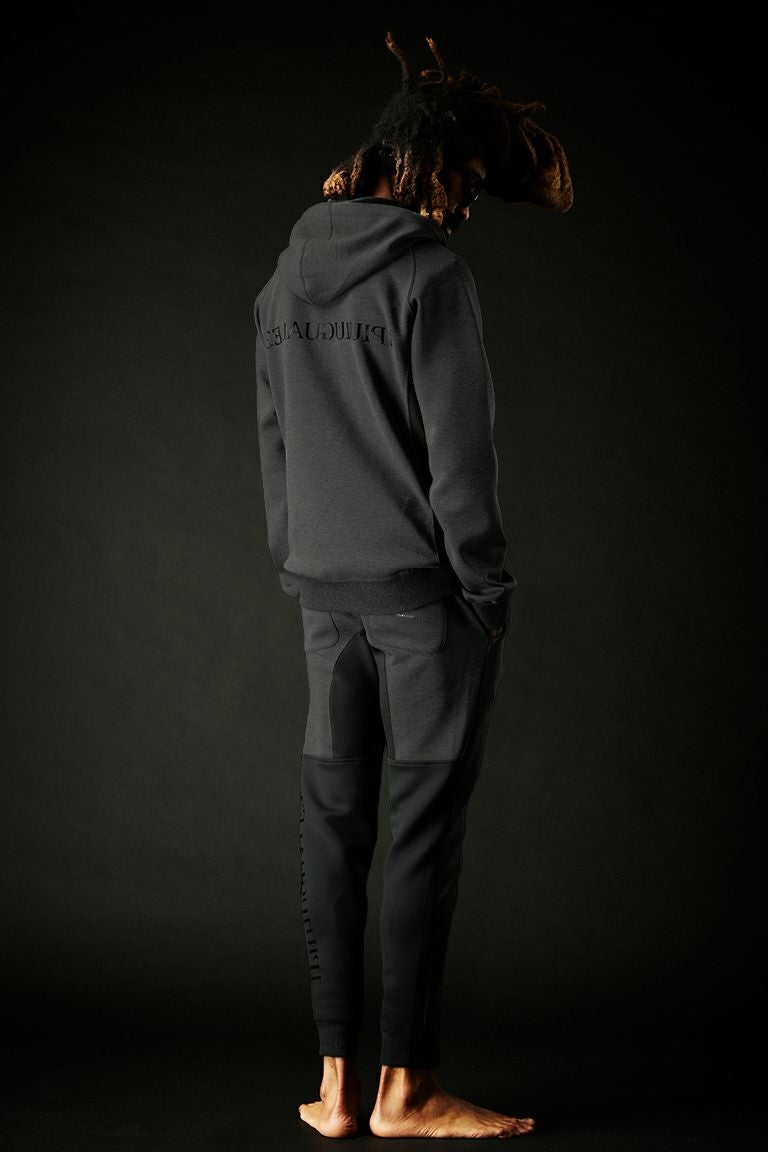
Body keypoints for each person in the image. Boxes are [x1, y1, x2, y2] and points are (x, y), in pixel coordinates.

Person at [254, 30, 573, 1139]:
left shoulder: (283, 278)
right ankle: (408, 1090)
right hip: (426, 607)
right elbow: (462, 465)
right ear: (430, 166)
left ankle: (336, 1089)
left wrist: (302, 558)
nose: (467, 204)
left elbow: (274, 441)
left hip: (325, 597)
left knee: (332, 832)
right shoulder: (433, 277)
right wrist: (486, 590)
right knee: (420, 841)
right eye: (467, 180)